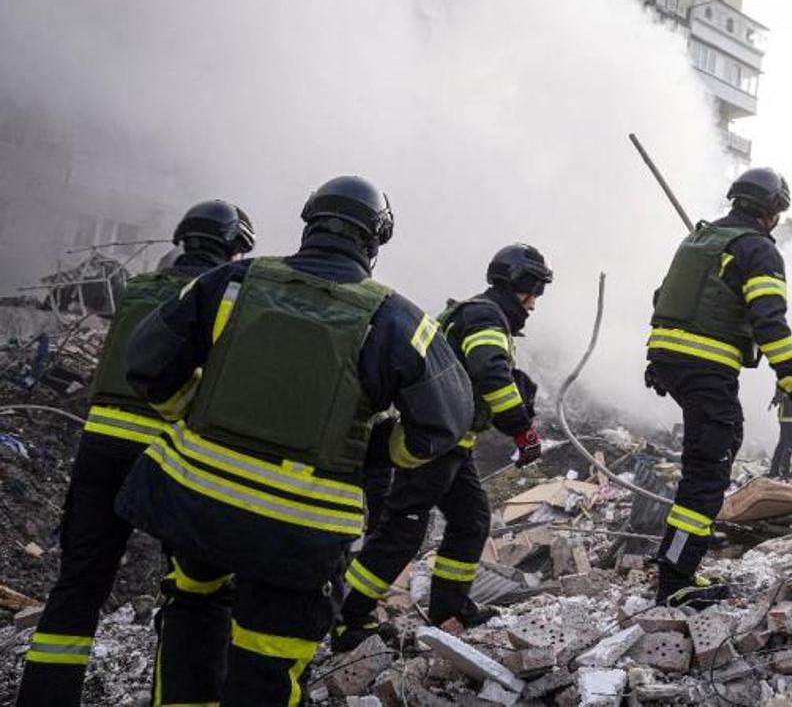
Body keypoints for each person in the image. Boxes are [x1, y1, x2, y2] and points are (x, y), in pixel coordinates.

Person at [114, 176, 473, 706]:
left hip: (199, 506)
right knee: (270, 657)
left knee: (191, 614)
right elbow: (446, 422)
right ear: (374, 242)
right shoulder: (397, 319)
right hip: (301, 528)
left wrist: (196, 411)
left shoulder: (229, 284)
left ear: (308, 224)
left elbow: (145, 365)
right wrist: (382, 449)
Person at [17, 200, 254, 707]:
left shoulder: (139, 290)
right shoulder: (228, 298)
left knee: (79, 583)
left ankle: (44, 698)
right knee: (194, 591)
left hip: (101, 447)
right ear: (235, 250)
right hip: (174, 454)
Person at [332, 244, 551, 649]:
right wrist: (521, 429)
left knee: (471, 520)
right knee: (403, 530)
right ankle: (346, 617)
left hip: (452, 442)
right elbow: (489, 370)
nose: (534, 303)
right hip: (434, 441)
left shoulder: (482, 313)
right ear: (515, 282)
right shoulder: (486, 315)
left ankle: (448, 610)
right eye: (533, 289)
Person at [645, 167, 792, 607]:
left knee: (713, 450)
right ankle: (675, 580)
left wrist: (657, 357)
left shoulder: (699, 240)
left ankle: (674, 562)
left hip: (669, 356)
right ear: (774, 210)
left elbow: (663, 296)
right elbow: (769, 321)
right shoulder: (758, 250)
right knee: (708, 470)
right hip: (706, 366)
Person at [767, 390, 792, 478]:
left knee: (782, 443)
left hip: (786, 415)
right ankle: (784, 470)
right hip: (790, 415)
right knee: (790, 444)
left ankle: (774, 470)